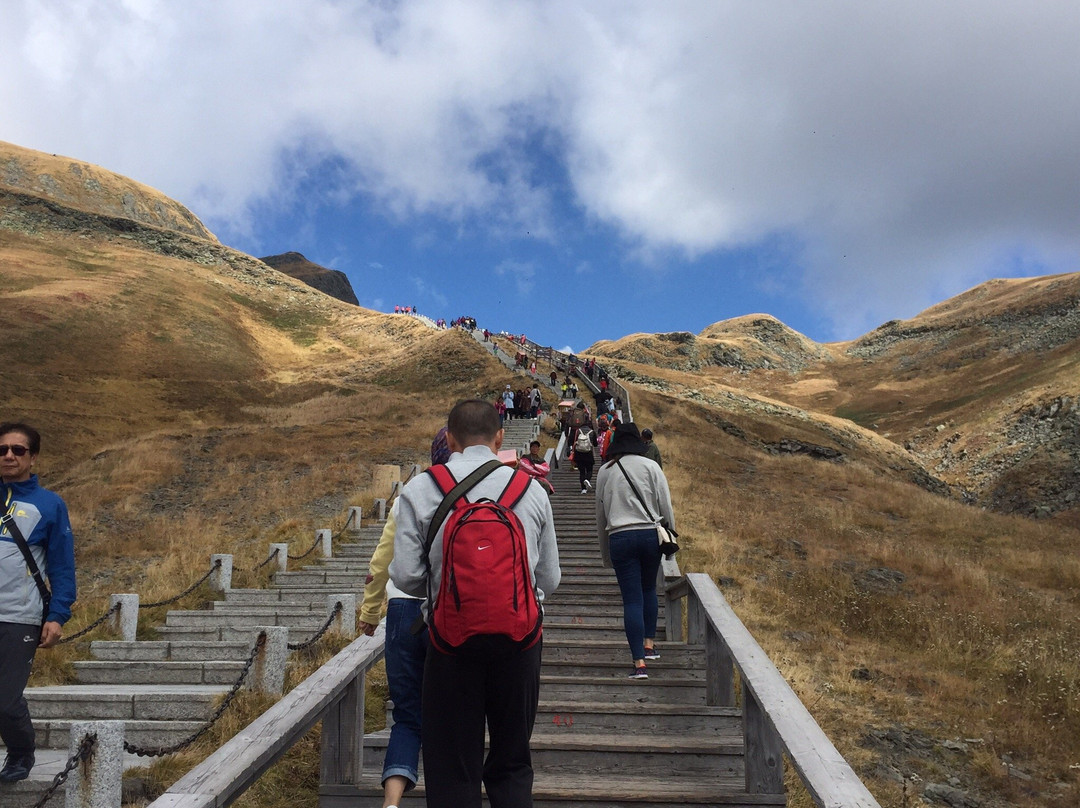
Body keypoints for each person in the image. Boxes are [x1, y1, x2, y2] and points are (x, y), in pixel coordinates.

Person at [390, 400, 561, 808]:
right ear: (500, 437)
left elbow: (406, 578)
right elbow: (550, 579)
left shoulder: (420, 488)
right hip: (519, 642)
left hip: (449, 644)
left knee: (451, 765)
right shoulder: (530, 490)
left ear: (449, 439)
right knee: (513, 761)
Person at [357, 428, 451, 807]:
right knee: (450, 714)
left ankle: (391, 803)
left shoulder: (410, 494)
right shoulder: (478, 490)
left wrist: (369, 611)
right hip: (448, 611)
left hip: (402, 609)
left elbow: (381, 561)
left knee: (407, 717)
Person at [0, 422, 77, 782]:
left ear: (33, 457)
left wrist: (58, 615)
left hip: (19, 617)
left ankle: (20, 752)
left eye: (18, 450)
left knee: (5, 699)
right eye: (2, 450)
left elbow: (62, 567)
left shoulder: (49, 504)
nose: (9, 456)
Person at [594, 422, 675, 680]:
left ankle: (639, 663)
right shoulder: (651, 467)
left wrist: (605, 553)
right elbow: (665, 505)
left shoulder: (606, 472)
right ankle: (649, 645)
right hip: (650, 535)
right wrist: (670, 543)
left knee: (631, 599)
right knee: (649, 589)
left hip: (620, 535)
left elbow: (600, 515)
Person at [571, 420, 597, 494]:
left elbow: (574, 441)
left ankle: (583, 489)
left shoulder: (578, 431)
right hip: (588, 453)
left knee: (582, 472)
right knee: (589, 470)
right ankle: (587, 479)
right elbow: (595, 444)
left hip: (579, 454)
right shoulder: (592, 432)